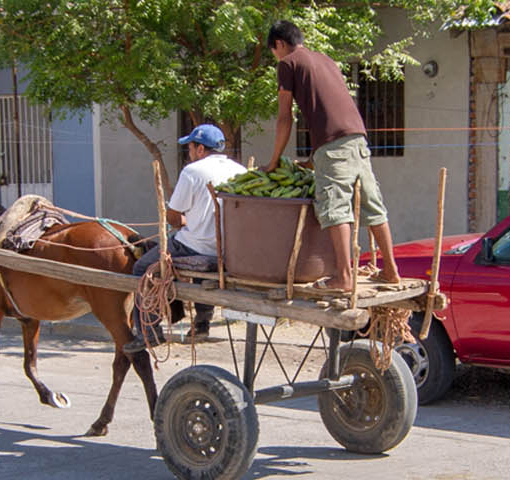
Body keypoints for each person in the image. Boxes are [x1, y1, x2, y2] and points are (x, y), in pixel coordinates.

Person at [265, 20, 400, 290]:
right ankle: (392, 271)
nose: (276, 57)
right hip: (357, 138)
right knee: (373, 205)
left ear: (280, 43)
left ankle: (344, 277)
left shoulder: (288, 64)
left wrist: (273, 160)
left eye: (274, 51)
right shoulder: (325, 60)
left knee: (335, 208)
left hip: (334, 145)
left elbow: (284, 119)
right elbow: (329, 109)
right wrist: (314, 159)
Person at [124, 124, 247, 353]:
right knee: (203, 265)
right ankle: (202, 323)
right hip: (227, 249)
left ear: (200, 148)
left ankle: (149, 332)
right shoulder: (240, 171)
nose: (189, 152)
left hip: (194, 246)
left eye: (190, 147)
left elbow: (173, 216)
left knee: (142, 267)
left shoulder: (193, 171)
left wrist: (183, 223)